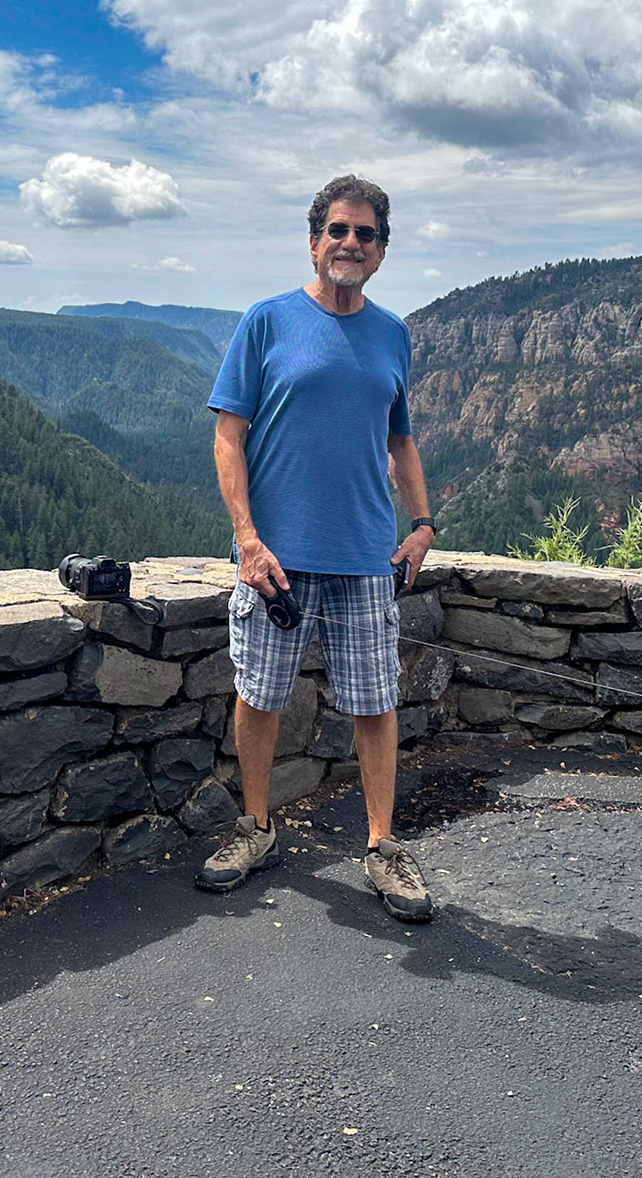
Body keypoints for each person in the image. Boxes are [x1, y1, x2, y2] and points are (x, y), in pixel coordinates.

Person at [198, 174, 437, 921]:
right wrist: (247, 540)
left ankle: (382, 847)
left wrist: (423, 524)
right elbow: (227, 437)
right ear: (313, 240)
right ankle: (256, 829)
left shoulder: (393, 334)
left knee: (376, 703)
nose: (351, 243)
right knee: (259, 697)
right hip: (274, 561)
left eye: (366, 234)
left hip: (365, 555)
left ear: (382, 251)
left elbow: (400, 439)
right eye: (338, 229)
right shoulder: (267, 321)